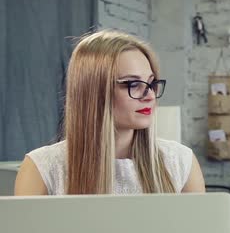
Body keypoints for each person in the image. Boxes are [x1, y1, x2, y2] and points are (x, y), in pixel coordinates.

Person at [14, 30, 205, 195]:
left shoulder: (180, 162)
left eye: (151, 83)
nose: (150, 96)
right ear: (93, 91)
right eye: (132, 84)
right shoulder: (43, 168)